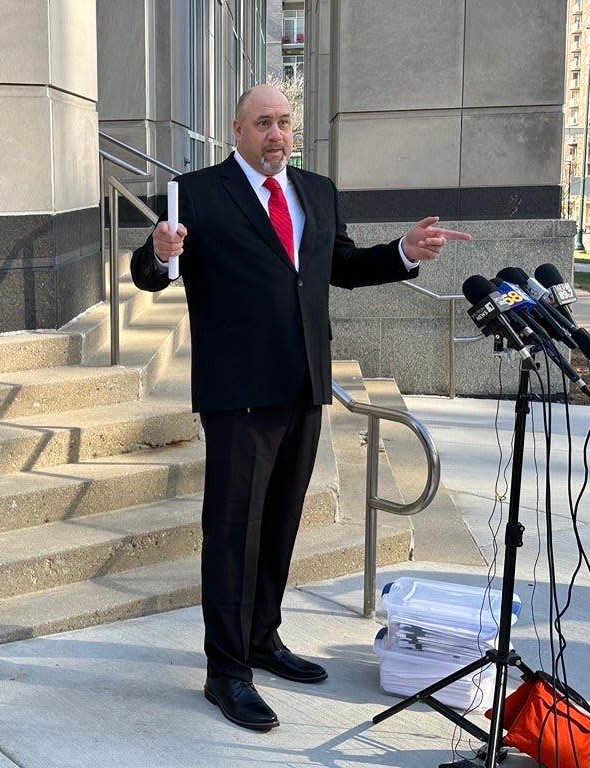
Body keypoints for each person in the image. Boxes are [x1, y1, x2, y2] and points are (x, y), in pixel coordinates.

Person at [131, 83, 470, 732]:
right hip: (237, 396)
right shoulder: (198, 194)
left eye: (285, 121)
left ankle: (263, 639)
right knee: (233, 534)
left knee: (281, 524)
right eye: (263, 123)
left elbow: (339, 266)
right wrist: (158, 253)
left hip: (304, 385)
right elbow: (153, 275)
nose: (277, 134)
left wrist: (403, 252)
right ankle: (226, 671)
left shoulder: (315, 191)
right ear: (237, 130)